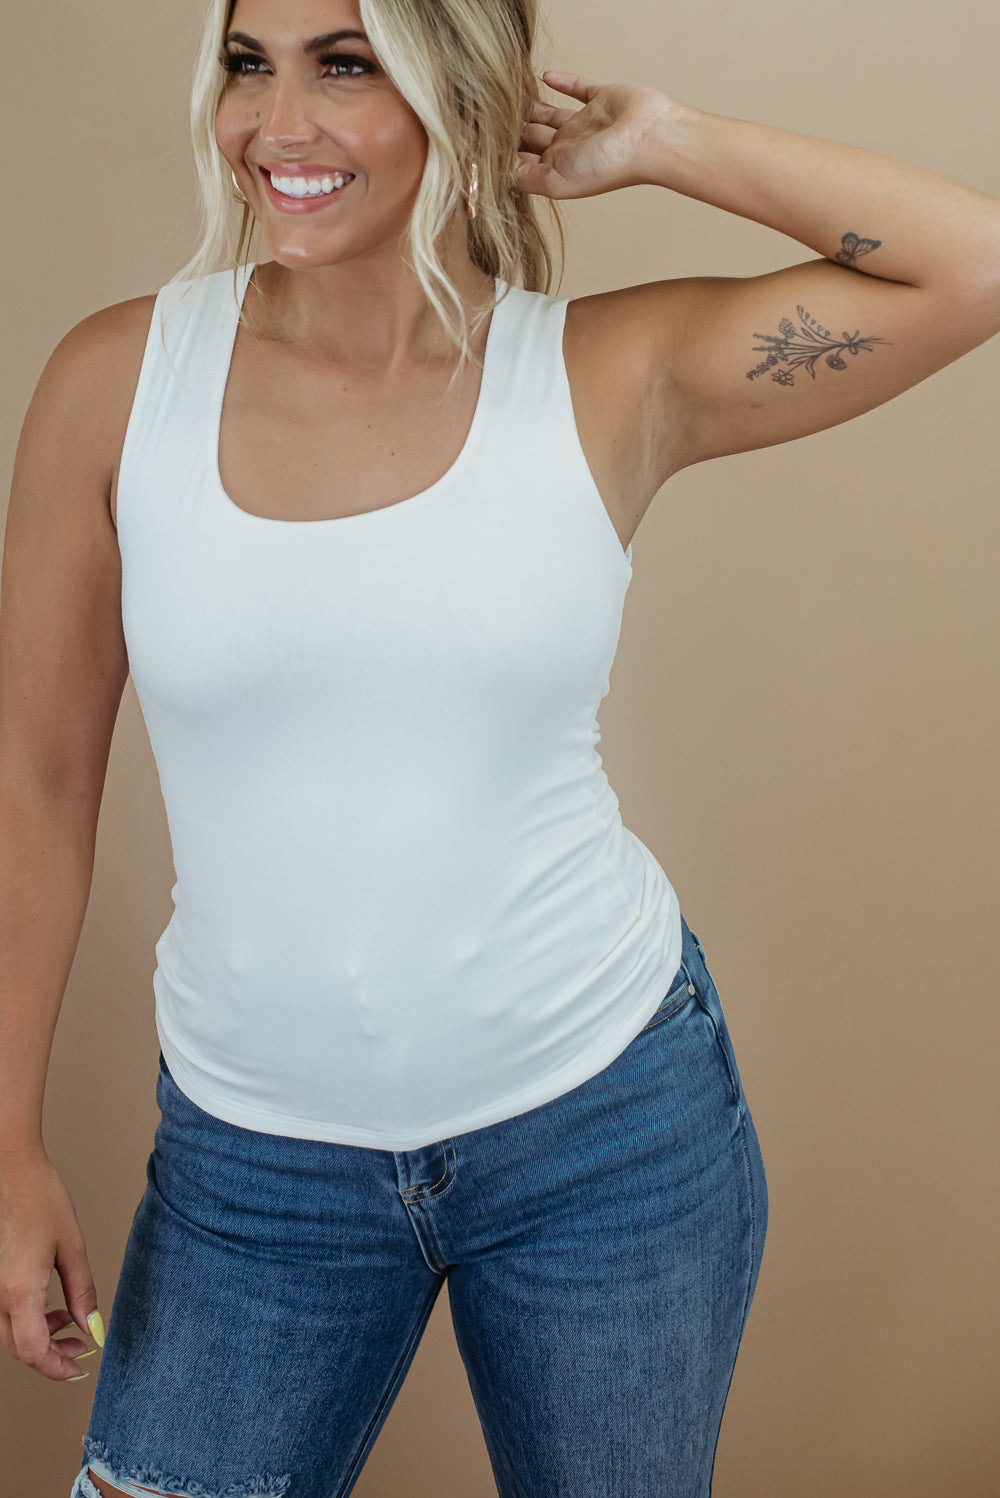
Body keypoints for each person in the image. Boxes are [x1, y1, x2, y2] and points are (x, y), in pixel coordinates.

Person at [1, 0, 998, 1493]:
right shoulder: (115, 383)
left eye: (347, 64)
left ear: (456, 88)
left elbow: (973, 262)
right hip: (255, 1167)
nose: (278, 124)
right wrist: (6, 1138)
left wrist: (664, 141)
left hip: (604, 1131)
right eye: (248, 64)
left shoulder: (607, 373)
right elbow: (36, 777)